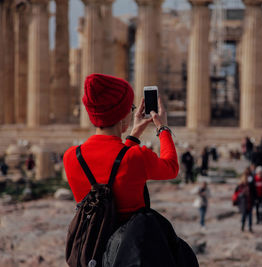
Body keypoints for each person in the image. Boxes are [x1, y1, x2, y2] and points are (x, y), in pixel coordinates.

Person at [63, 74, 179, 225]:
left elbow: (116, 163)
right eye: (130, 108)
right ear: (123, 114)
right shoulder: (138, 157)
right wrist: (163, 128)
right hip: (130, 245)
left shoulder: (71, 156)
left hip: (92, 244)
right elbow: (171, 167)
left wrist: (134, 136)